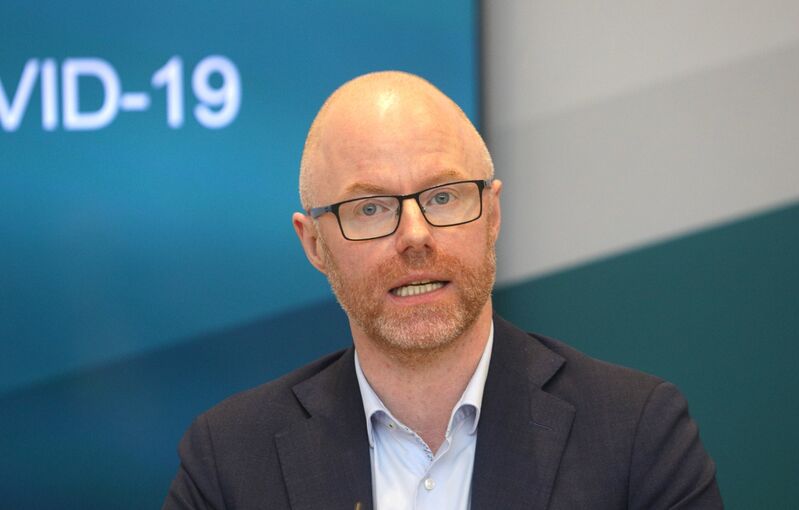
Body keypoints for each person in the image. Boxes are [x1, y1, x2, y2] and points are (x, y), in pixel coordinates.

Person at [163, 71, 722, 509]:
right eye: (371, 208)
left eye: (444, 196)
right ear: (314, 245)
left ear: (493, 214)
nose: (415, 236)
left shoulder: (637, 433)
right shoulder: (230, 460)